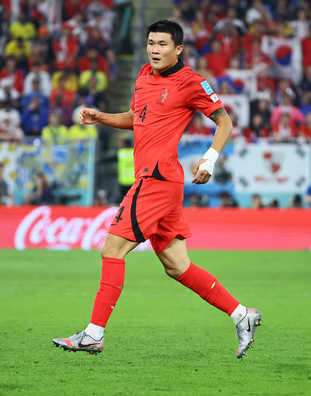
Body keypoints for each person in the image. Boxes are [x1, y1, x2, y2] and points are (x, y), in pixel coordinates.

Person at [53, 20, 262, 359]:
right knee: (178, 266)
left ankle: (93, 334)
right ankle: (243, 315)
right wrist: (102, 117)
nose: (154, 49)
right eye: (151, 42)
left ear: (178, 49)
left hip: (156, 179)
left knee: (112, 248)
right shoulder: (142, 76)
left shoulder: (191, 82)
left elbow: (225, 121)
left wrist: (209, 160)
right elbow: (138, 117)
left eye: (162, 44)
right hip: (159, 183)